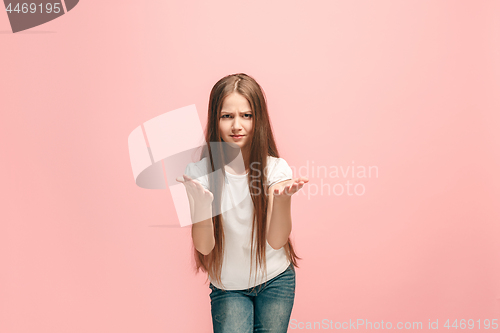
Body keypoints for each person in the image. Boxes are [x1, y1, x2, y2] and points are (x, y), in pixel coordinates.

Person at [176, 73, 308, 333]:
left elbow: (276, 241)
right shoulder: (200, 174)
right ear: (215, 119)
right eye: (227, 116)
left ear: (259, 119)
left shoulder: (276, 169)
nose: (237, 125)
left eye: (246, 115)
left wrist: (282, 201)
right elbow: (204, 247)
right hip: (228, 287)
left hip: (276, 280)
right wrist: (202, 207)